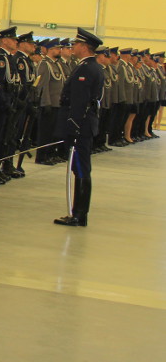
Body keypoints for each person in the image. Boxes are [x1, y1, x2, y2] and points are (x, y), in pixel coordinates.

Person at [54, 28, 104, 227]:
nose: (73, 47)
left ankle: (79, 215)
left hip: (80, 126)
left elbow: (80, 101)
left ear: (84, 47)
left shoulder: (86, 69)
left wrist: (73, 125)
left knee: (81, 169)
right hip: (84, 124)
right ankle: (79, 213)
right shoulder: (91, 66)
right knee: (80, 167)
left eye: (75, 44)